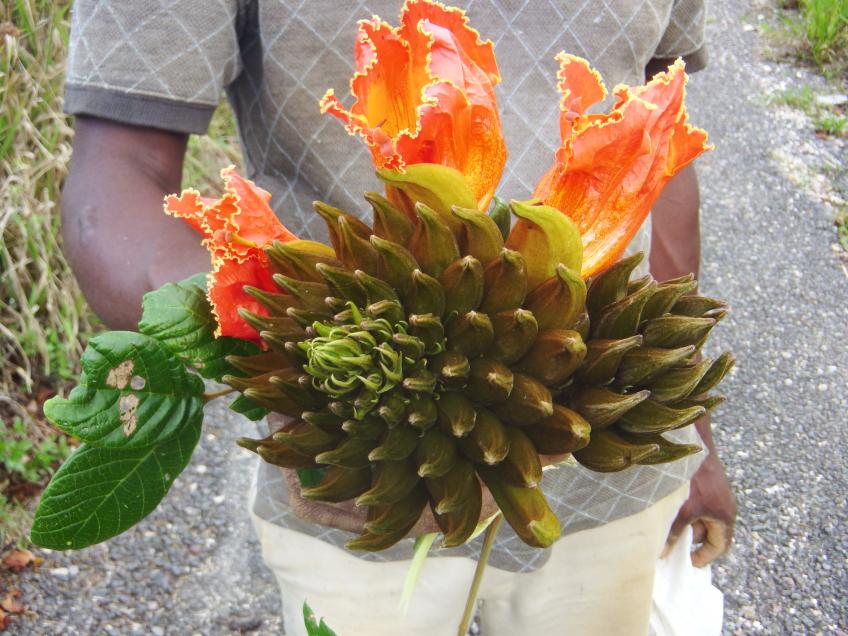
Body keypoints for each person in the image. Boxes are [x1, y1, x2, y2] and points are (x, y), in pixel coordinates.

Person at [60, 1, 736, 634]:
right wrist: (296, 355)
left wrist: (691, 431)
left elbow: (653, 133)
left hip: (617, 467)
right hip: (358, 481)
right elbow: (114, 179)